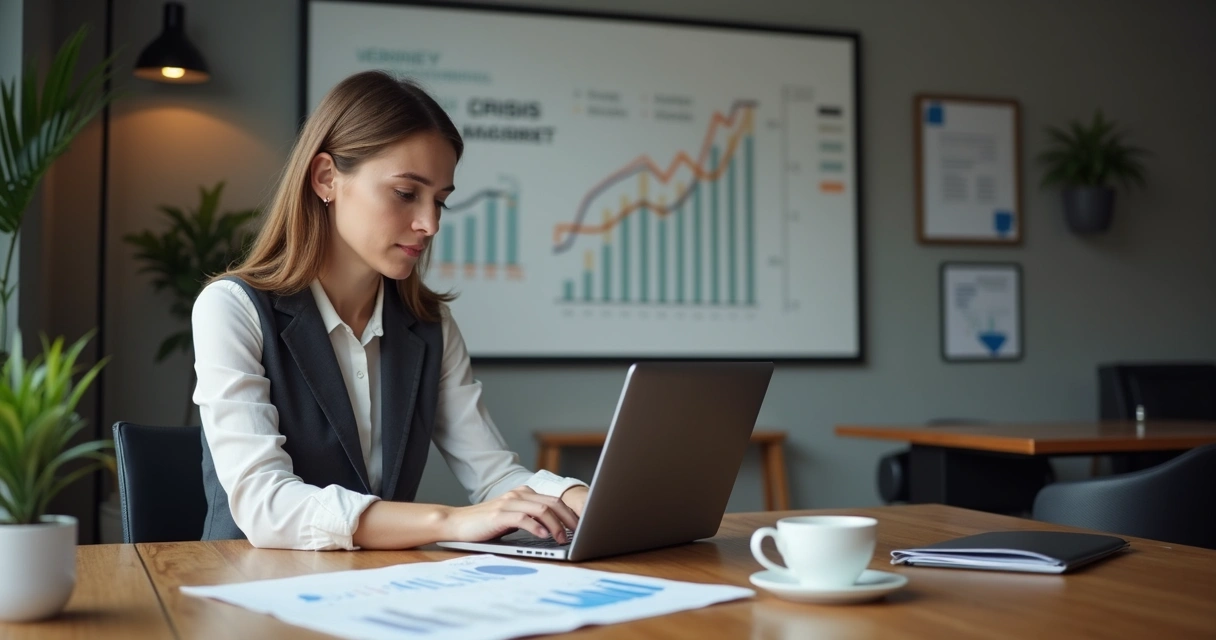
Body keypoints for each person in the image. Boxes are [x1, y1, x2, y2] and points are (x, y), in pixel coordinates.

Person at [191, 70, 588, 551]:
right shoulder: (232, 309)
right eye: (405, 194)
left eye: (440, 202)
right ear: (326, 178)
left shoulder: (429, 326)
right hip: (249, 584)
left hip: (378, 584)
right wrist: (450, 521)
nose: (429, 223)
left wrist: (576, 496)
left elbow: (495, 475)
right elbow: (266, 505)